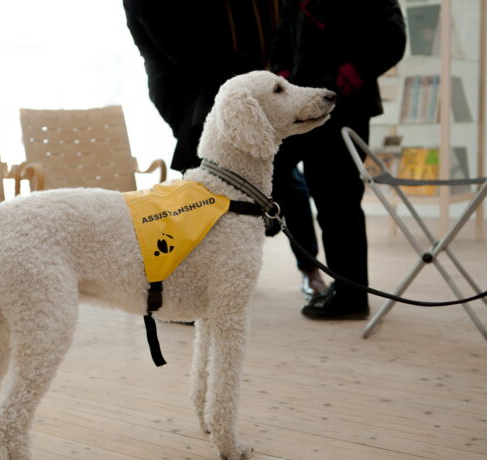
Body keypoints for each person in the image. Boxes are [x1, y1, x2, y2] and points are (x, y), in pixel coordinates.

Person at [123, 0, 327, 298]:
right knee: (200, 189)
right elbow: (182, 47)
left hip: (240, 79)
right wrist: (253, 73)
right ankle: (189, 282)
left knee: (284, 177)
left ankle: (309, 268)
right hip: (189, 88)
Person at [269, 0, 406, 319]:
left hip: (343, 106)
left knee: (338, 203)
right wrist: (285, 81)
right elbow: (282, 37)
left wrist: (342, 82)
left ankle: (351, 296)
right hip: (299, 107)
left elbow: (392, 37)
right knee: (293, 184)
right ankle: (343, 288)